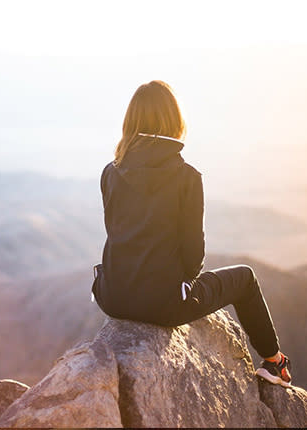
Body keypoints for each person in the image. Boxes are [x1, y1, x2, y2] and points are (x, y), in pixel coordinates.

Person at [91, 80, 292, 387]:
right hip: (163, 305)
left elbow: (116, 233)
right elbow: (193, 257)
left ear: (130, 122)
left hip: (111, 296)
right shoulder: (187, 177)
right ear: (175, 121)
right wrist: (180, 285)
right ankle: (274, 362)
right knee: (246, 278)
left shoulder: (110, 171)